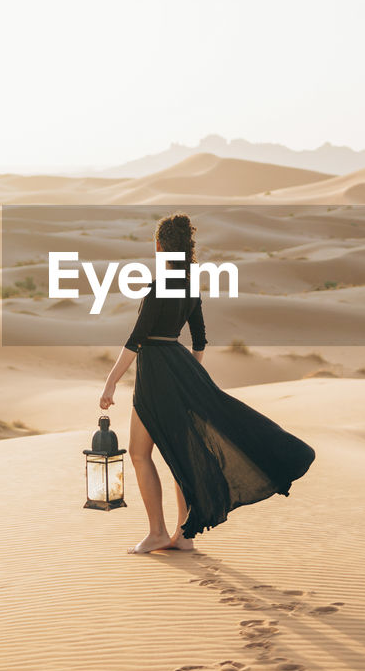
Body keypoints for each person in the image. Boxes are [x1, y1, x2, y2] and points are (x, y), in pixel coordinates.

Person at [98, 213, 317, 554]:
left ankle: (157, 532)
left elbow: (136, 340)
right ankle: (183, 535)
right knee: (178, 455)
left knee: (141, 454)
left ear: (159, 247)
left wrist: (110, 383)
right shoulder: (189, 289)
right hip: (179, 368)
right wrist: (192, 378)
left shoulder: (158, 288)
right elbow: (199, 339)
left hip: (155, 372)